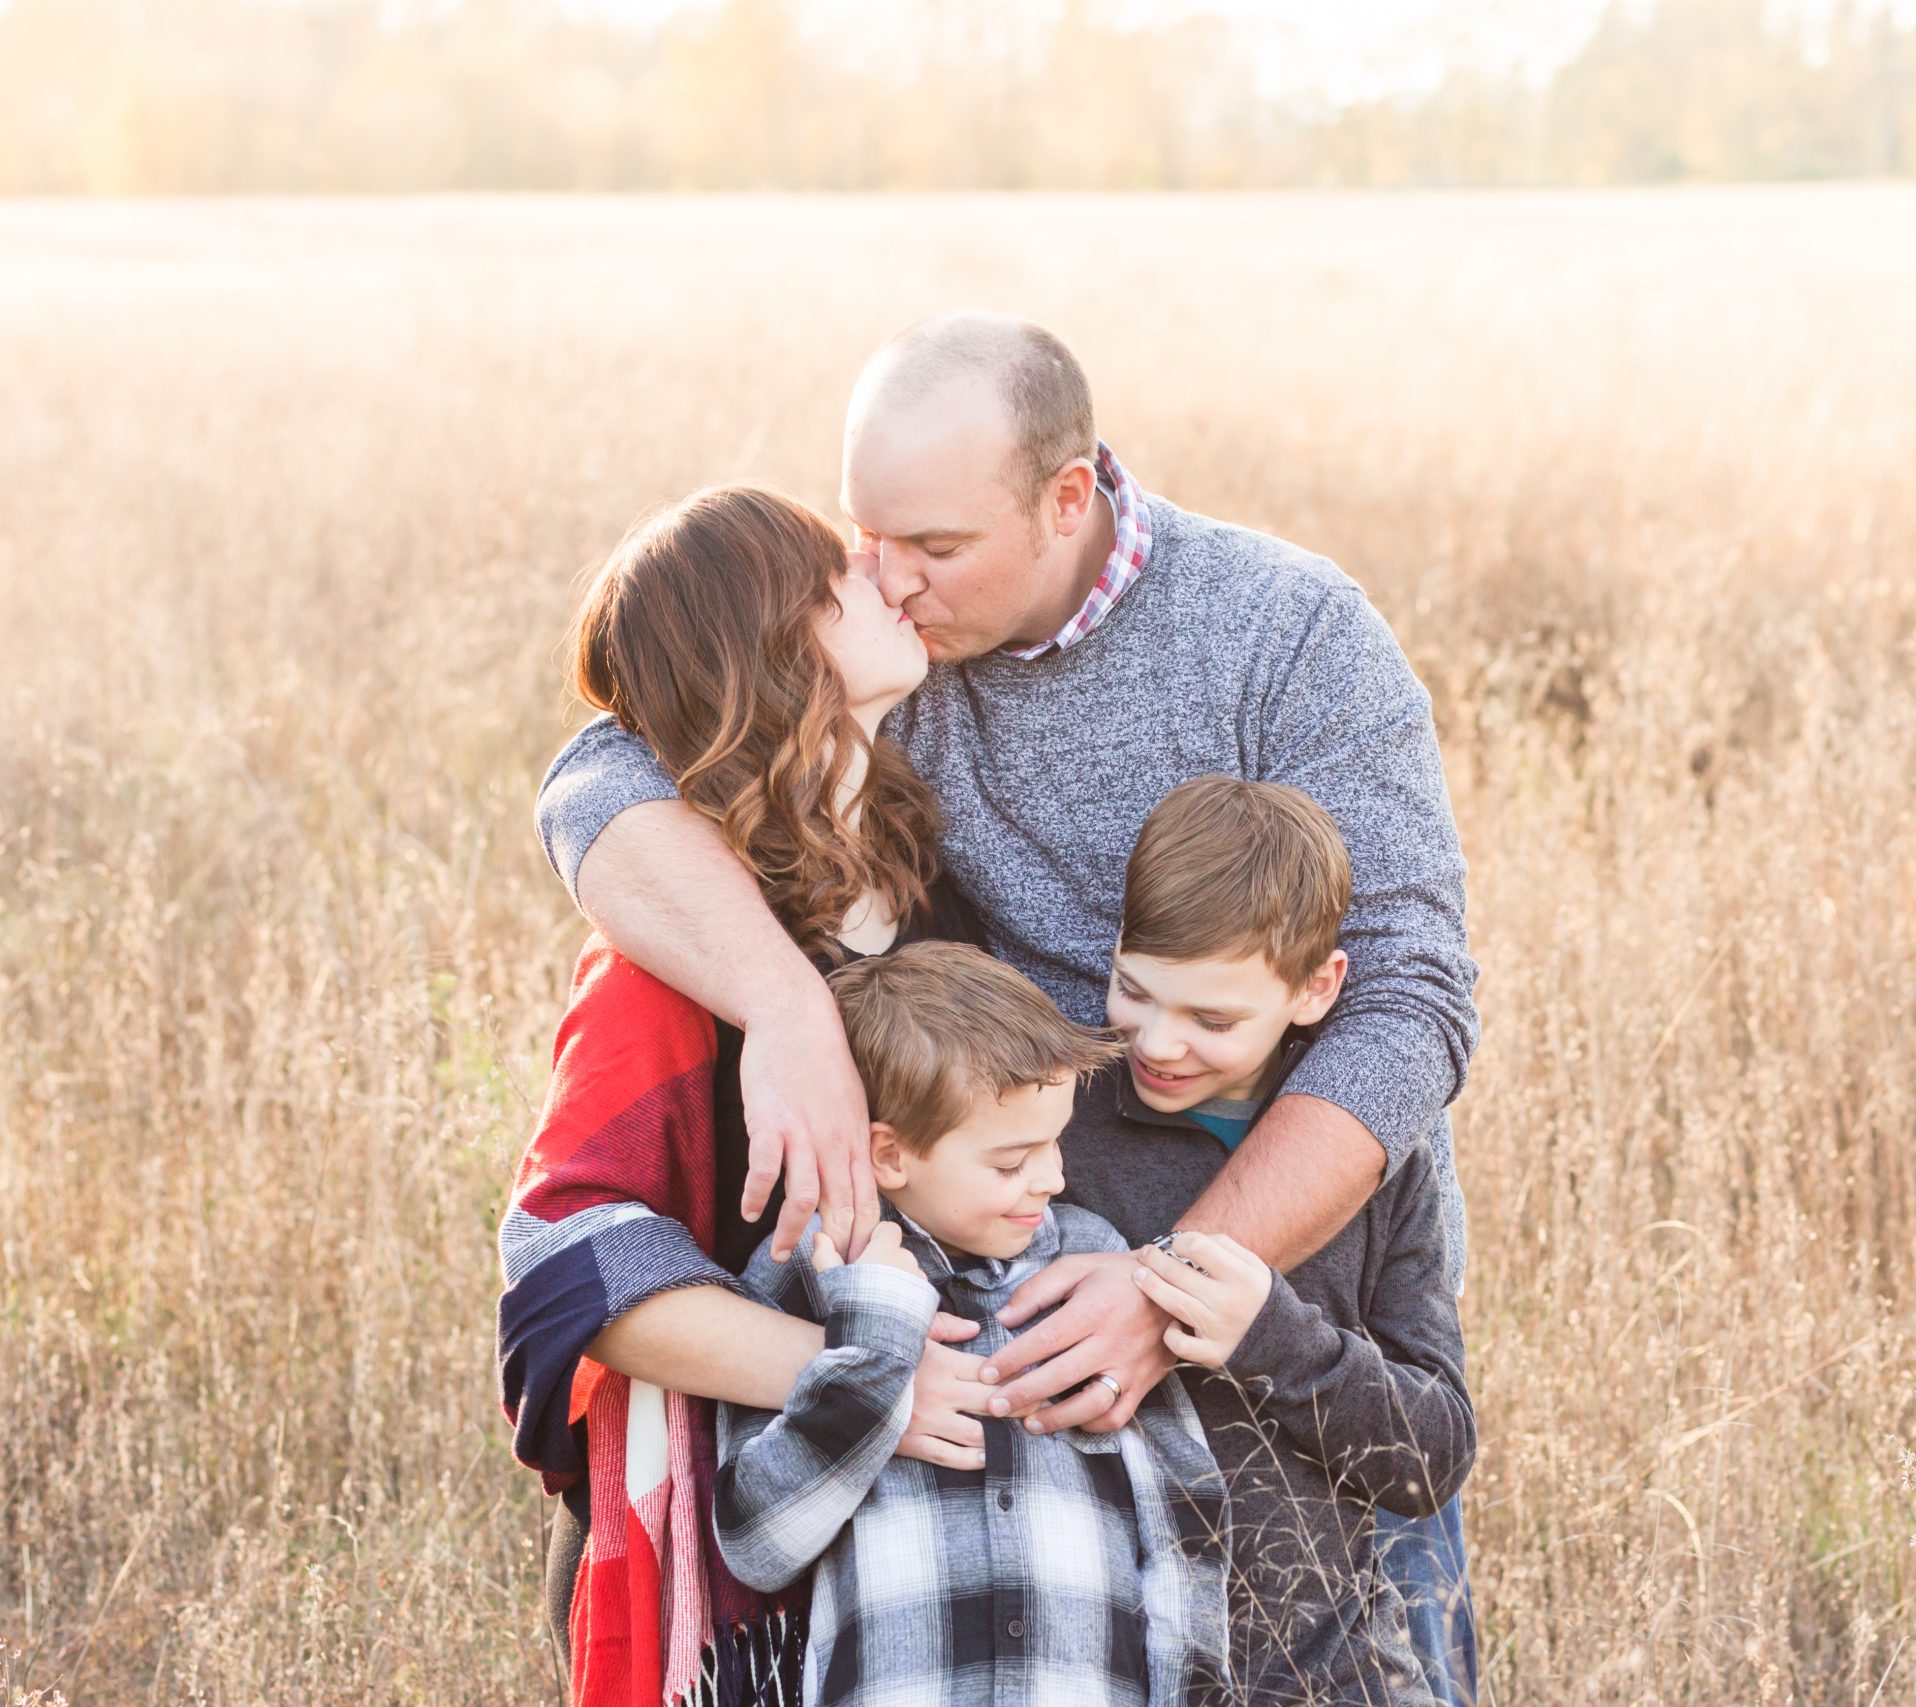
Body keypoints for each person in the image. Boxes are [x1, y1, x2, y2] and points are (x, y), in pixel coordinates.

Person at [533, 311, 1483, 1693]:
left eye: (934, 547)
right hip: (1009, 1290)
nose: (890, 580)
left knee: (1357, 1650)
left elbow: (1409, 995)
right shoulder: (873, 671)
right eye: (869, 540)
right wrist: (786, 1003)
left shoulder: (1287, 630)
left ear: (1066, 498)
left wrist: (1173, 1286)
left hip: (1280, 1277)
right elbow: (600, 774)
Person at [497, 484, 987, 1706]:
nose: (880, 571)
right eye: (837, 574)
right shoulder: (671, 968)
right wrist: (863, 1380)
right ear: (772, 650)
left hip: (908, 1554)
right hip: (723, 1592)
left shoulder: (920, 896)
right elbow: (564, 1272)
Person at [714, 941, 1231, 1707]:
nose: (1051, 1178)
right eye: (1011, 1160)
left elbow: (1178, 1509)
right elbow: (757, 1544)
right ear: (890, 1155)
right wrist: (878, 1341)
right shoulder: (804, 1276)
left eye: (1055, 1143)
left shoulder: (1092, 1261)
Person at [1062, 776, 1475, 1706]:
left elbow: (1433, 1453)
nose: (1159, 1043)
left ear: (1316, 988)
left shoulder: (1375, 1158)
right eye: (1136, 990)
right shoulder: (1055, 1125)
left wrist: (1274, 1338)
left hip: (1328, 1670)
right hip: (1112, 1664)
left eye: (1213, 1018)